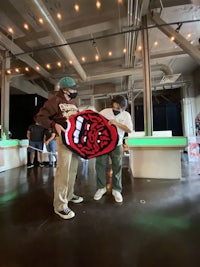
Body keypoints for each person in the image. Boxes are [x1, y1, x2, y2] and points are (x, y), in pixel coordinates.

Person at [36, 76, 83, 219]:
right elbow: (41, 117)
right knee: (63, 171)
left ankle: (69, 195)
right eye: (73, 88)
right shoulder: (54, 101)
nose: (75, 90)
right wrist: (53, 125)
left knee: (72, 169)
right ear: (65, 89)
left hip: (74, 140)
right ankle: (60, 205)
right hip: (63, 140)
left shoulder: (74, 102)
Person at [94, 95, 133, 203]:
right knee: (100, 165)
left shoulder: (126, 115)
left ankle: (116, 190)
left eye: (118, 108)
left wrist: (117, 123)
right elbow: (95, 122)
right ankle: (101, 188)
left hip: (117, 145)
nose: (115, 110)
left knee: (117, 167)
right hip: (102, 144)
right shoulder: (105, 112)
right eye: (114, 107)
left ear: (123, 108)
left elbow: (129, 130)